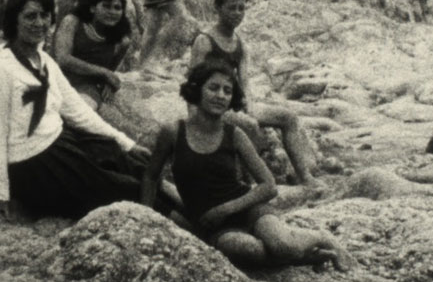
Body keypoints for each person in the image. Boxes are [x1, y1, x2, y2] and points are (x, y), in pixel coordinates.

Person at [0, 0, 159, 223]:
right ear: (14, 20)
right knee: (127, 190)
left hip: (61, 142)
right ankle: (170, 221)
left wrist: (126, 142)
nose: (39, 23)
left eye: (44, 16)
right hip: (35, 164)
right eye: (30, 16)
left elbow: (77, 110)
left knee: (131, 159)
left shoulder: (43, 60)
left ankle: (184, 205)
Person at [141, 62, 348, 268]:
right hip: (215, 228)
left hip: (248, 209)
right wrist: (145, 217)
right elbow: (151, 177)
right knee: (250, 251)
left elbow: (269, 186)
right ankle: (308, 258)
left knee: (284, 246)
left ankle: (320, 238)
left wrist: (225, 209)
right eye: (213, 88)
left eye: (227, 91)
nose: (221, 95)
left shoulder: (234, 135)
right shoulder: (173, 132)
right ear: (197, 90)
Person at [189, 0, 317, 184]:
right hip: (211, 106)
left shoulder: (240, 44)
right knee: (250, 126)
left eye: (242, 8)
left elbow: (245, 82)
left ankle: (305, 176)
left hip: (233, 103)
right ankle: (251, 182)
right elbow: (192, 83)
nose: (237, 13)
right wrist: (195, 120)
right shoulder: (204, 41)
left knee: (288, 117)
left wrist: (249, 104)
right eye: (232, 8)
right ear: (217, 8)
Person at [53, 0, 135, 109]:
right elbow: (63, 59)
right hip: (56, 81)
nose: (112, 12)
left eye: (117, 8)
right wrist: (105, 73)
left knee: (81, 111)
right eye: (106, 6)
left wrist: (109, 83)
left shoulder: (122, 41)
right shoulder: (72, 22)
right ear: (92, 8)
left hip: (87, 88)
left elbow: (110, 71)